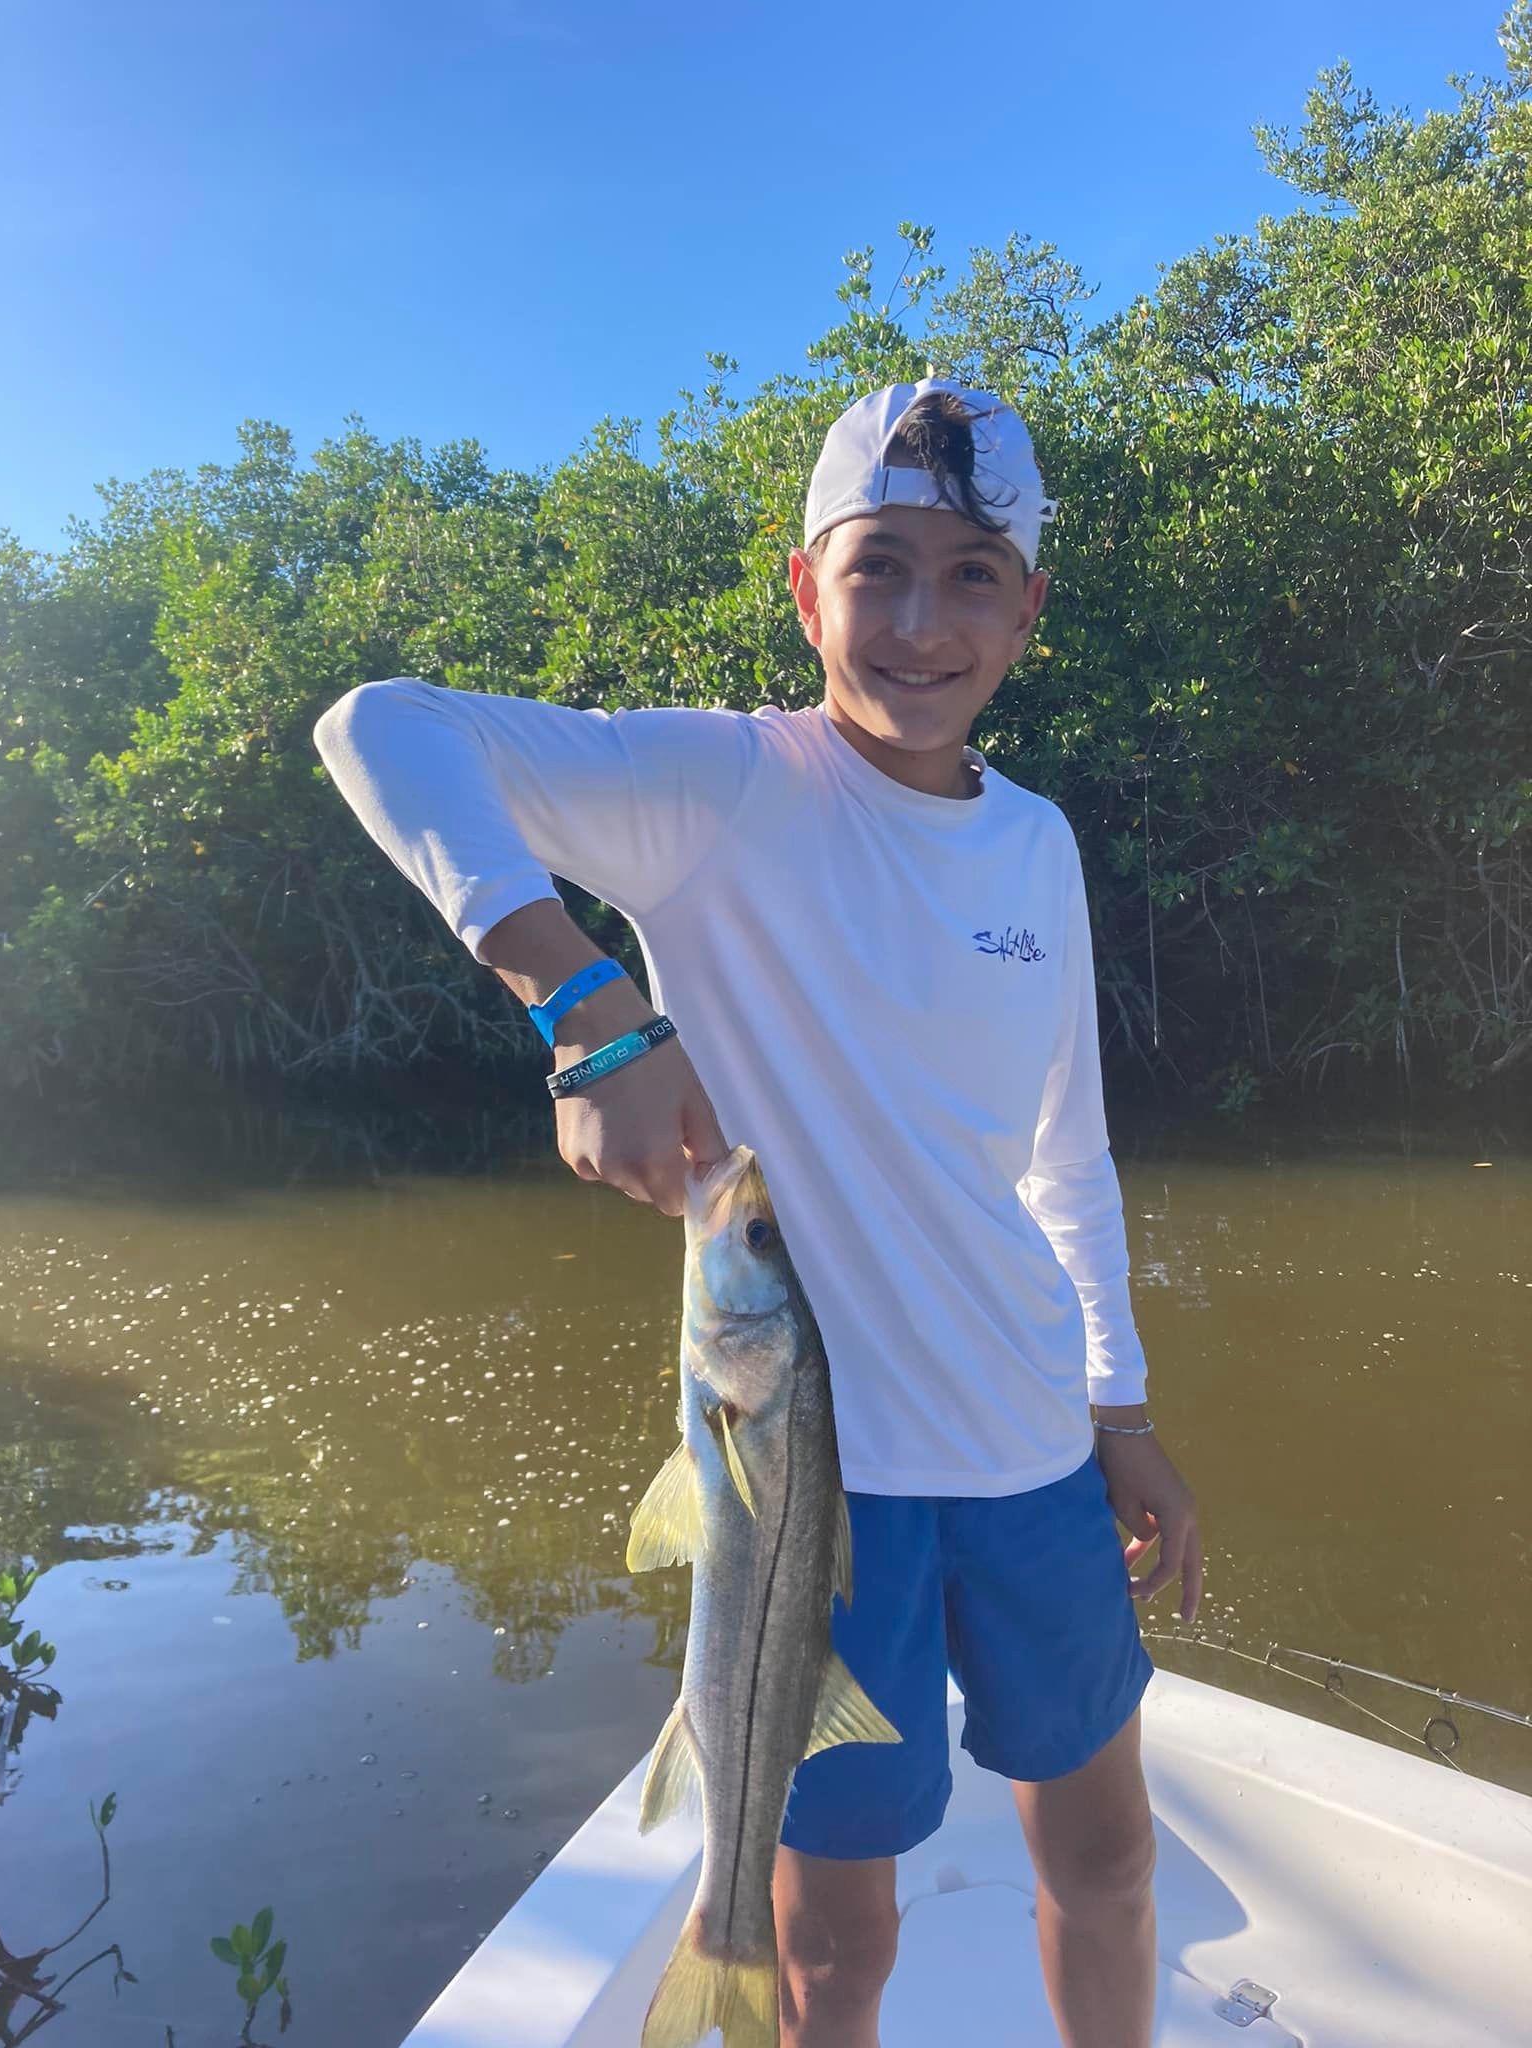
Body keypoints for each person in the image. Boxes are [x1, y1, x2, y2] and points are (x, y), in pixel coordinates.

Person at [311, 375, 1202, 2048]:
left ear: (1030, 607)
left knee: (1106, 1854)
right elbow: (379, 726)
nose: (920, 622)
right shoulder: (719, 792)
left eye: (971, 574)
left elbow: (1062, 1162)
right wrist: (587, 1010)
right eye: (877, 568)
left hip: (1030, 1454)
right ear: (805, 587)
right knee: (835, 1946)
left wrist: (1123, 1409)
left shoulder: (1041, 847)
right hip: (808, 1484)